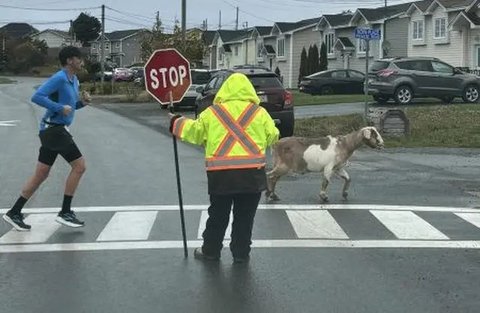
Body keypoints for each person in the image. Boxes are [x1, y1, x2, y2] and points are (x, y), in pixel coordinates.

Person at [169, 72, 279, 263]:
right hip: (251, 177)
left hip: (221, 176)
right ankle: (241, 253)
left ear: (224, 90)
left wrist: (175, 122)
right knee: (245, 218)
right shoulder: (259, 113)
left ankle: (210, 251)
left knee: (218, 215)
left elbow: (194, 132)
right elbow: (272, 135)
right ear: (249, 91)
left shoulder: (213, 113)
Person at [3, 46, 90, 231]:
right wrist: (59, 108)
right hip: (54, 130)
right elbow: (37, 96)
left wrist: (82, 103)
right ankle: (65, 212)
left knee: (41, 173)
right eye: (79, 58)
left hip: (54, 130)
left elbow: (70, 106)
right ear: (69, 61)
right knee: (80, 166)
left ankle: (14, 212)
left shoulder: (73, 80)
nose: (82, 62)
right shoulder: (59, 78)